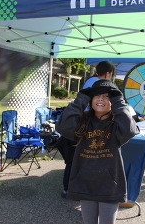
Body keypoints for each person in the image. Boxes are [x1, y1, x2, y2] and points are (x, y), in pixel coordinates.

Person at [55, 79, 139, 224]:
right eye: (97, 95)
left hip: (109, 185)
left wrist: (118, 100)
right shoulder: (83, 121)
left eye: (107, 96)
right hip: (85, 183)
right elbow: (62, 126)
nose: (101, 99)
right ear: (90, 99)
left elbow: (129, 130)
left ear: (113, 100)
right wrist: (81, 99)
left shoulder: (117, 123)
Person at [58, 61, 115, 199]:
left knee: (76, 160)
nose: (101, 99)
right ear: (108, 73)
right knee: (77, 160)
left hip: (80, 124)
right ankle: (71, 189)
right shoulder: (99, 84)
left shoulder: (90, 80)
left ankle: (71, 189)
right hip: (82, 126)